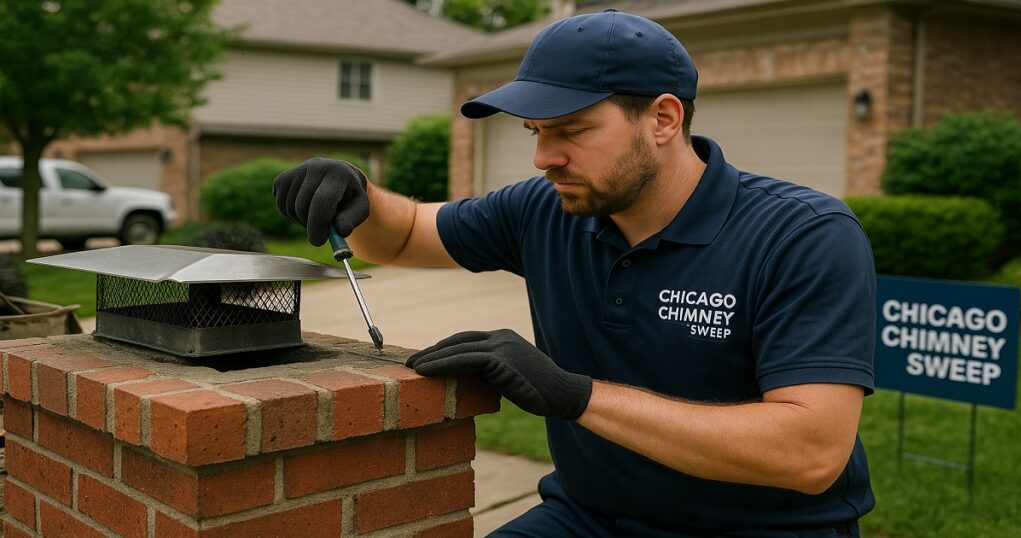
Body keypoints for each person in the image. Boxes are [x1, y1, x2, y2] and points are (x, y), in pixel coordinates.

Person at [273, 9, 875, 537]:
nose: (544, 158)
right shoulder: (547, 209)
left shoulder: (802, 236)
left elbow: (811, 452)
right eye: (536, 133)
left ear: (663, 119)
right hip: (588, 518)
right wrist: (355, 190)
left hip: (762, 530)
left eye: (572, 131)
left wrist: (573, 395)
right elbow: (405, 234)